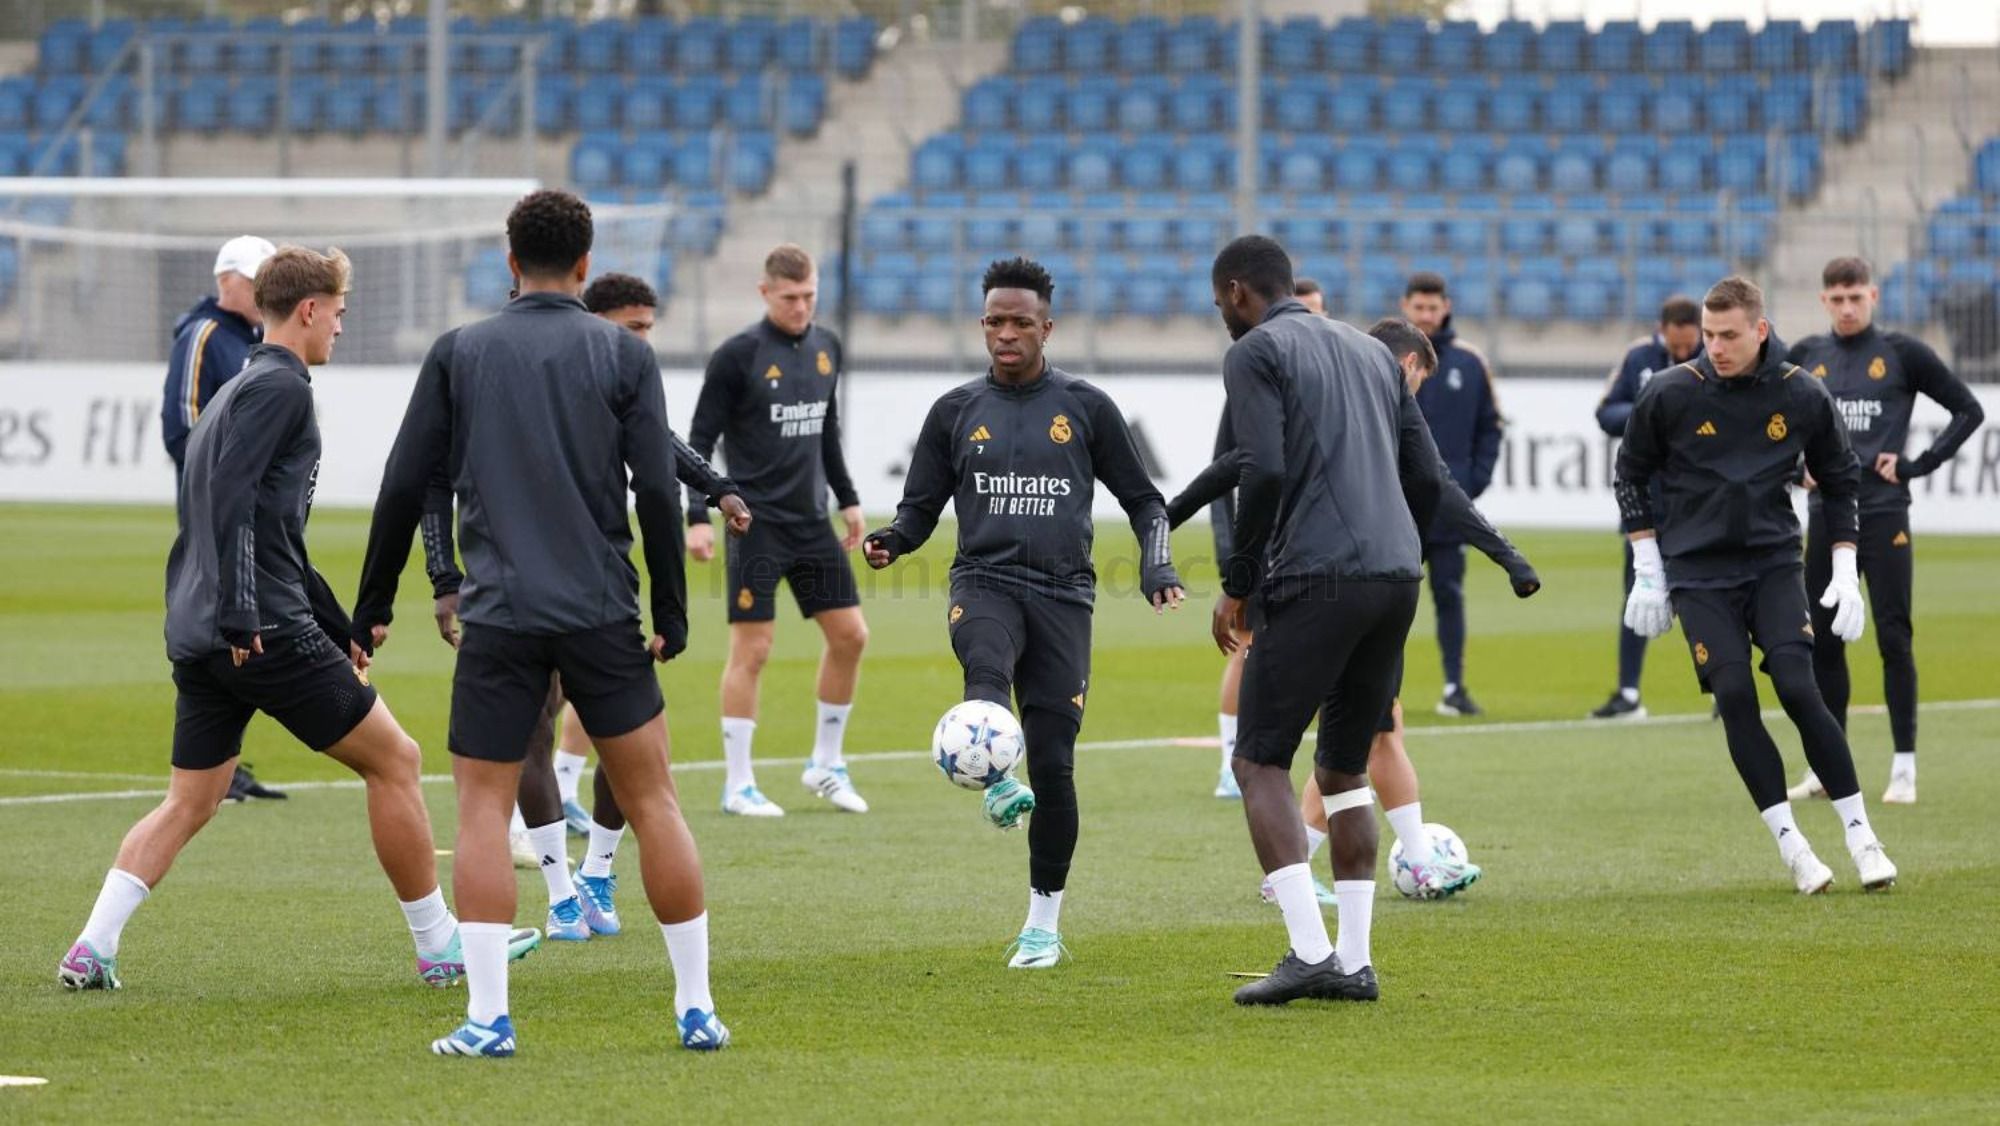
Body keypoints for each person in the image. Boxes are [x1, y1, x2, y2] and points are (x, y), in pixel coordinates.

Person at [59, 246, 538, 994]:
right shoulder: (282, 389)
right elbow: (234, 502)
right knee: (398, 761)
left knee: (192, 799)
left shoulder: (239, 388)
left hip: (206, 631)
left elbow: (273, 531)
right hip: (259, 631)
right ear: (309, 310)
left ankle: (92, 945)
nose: (343, 328)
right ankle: (441, 944)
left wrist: (341, 621)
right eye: (340, 314)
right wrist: (248, 612)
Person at [353, 190, 727, 1056]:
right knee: (653, 799)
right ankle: (694, 1008)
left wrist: (374, 605)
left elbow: (406, 485)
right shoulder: (623, 355)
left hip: (501, 617)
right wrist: (668, 609)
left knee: (482, 812)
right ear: (587, 266)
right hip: (601, 610)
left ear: (509, 262)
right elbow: (657, 494)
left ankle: (488, 1018)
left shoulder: (460, 353)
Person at [863, 257, 1183, 970]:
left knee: (1058, 766)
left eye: (1019, 322)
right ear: (982, 326)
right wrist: (891, 540)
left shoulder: (1086, 408)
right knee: (984, 665)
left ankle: (1043, 924)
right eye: (993, 322)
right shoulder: (954, 411)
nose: (1005, 334)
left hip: (1066, 597)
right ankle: (998, 778)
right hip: (984, 581)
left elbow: (1146, 501)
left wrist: (1158, 562)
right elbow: (917, 511)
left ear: (1047, 327)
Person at [418, 270, 748, 943]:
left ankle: (596, 870)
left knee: (621, 746)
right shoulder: (526, 368)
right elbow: (431, 478)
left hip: (594, 590)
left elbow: (661, 447)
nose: (641, 342)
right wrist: (443, 573)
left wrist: (716, 487)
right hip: (522, 593)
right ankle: (562, 891)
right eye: (633, 329)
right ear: (593, 324)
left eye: (647, 330)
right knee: (537, 733)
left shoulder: (618, 369)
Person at [1170, 317, 1532, 903]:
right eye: (1414, 385)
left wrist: (1169, 512)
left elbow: (1237, 464)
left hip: (1329, 585)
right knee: (1343, 743)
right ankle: (1382, 864)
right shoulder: (1364, 409)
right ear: (1407, 366)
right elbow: (1430, 482)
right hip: (1334, 587)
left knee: (1361, 740)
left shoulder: (1329, 407)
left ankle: (1333, 863)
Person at [1207, 237, 1443, 1007]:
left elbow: (1264, 470)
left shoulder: (1257, 351)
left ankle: (1309, 953)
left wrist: (1239, 581)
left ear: (1239, 291)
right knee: (1342, 770)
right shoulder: (1372, 351)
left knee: (1259, 761)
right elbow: (1422, 474)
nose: (1223, 319)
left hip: (1319, 577)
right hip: (1397, 574)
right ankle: (1354, 962)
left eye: (1220, 306)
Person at [1616, 276, 1897, 895]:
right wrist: (1648, 569)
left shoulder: (1802, 394)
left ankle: (1861, 837)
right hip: (1698, 574)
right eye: (1709, 336)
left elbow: (1841, 477)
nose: (1714, 346)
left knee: (1800, 687)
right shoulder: (1670, 393)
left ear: (1760, 331)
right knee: (1736, 696)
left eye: (1728, 335)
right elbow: (1630, 475)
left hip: (1772, 563)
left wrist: (1847, 571)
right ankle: (1792, 846)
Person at [1784, 257, 1985, 806]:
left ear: (1873, 295)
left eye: (1857, 297)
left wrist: (1918, 464)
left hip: (1884, 512)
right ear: (1824, 301)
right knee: (1822, 641)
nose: (1848, 308)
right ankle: (1830, 767)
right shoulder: (1804, 358)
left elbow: (1968, 410)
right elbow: (1765, 420)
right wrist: (1790, 468)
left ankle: (1904, 766)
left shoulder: (1903, 354)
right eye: (1837, 299)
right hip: (1826, 515)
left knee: (1894, 638)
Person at [686, 244, 870, 817]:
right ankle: (738, 783)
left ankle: (825, 764)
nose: (802, 306)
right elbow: (697, 442)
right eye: (790, 297)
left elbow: (827, 429)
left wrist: (849, 499)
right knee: (755, 649)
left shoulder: (826, 345)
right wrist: (697, 514)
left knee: (851, 637)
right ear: (765, 293)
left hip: (811, 521)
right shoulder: (737, 355)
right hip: (754, 525)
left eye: (810, 295)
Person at [161, 234, 286, 803]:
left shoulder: (252, 341)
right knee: (222, 624)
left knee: (245, 624)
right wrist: (217, 491)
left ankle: (224, 761)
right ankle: (216, 762)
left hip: (245, 512)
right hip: (218, 514)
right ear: (226, 281)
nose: (261, 290)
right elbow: (183, 424)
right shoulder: (204, 335)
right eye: (253, 278)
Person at [1590, 295, 1704, 721]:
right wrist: (1652, 409)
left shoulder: (1713, 358)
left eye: (1687, 346)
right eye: (1675, 345)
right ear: (1663, 330)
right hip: (1645, 503)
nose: (1681, 352)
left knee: (1707, 598)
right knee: (1636, 595)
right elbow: (1606, 413)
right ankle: (1628, 693)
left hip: (1699, 503)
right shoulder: (1638, 357)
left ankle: (1719, 687)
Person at [1401, 271, 1502, 717]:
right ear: (1406, 307)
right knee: (1387, 599)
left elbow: (1491, 428)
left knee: (1449, 595)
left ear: (1446, 308)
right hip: (1395, 507)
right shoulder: (1382, 355)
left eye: (1433, 307)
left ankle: (1454, 687)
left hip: (1445, 509)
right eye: (1418, 307)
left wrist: (1471, 482)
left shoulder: (1468, 362)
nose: (1426, 314)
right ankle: (1382, 689)